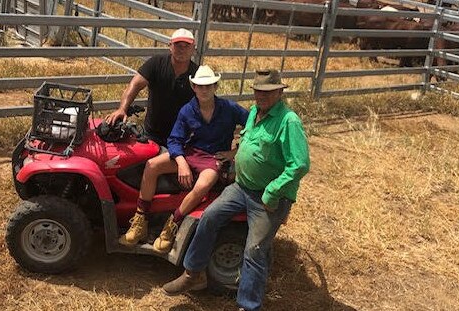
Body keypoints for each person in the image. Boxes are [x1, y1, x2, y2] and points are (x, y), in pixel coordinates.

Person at [161, 69, 311, 311]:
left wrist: (273, 191)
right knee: (208, 217)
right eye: (258, 91)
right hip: (242, 187)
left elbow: (300, 164)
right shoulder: (254, 112)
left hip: (267, 195)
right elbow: (246, 141)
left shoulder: (288, 121)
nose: (261, 95)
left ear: (280, 92)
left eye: (268, 91)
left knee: (254, 249)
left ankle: (248, 306)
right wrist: (235, 156)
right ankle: (193, 273)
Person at [119, 65, 249, 253]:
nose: (204, 90)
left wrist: (235, 152)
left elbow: (253, 125)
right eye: (200, 86)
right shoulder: (187, 110)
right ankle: (140, 220)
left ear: (215, 87)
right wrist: (181, 162)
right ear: (194, 87)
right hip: (191, 152)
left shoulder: (230, 108)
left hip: (214, 157)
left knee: (204, 184)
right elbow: (174, 139)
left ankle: (172, 224)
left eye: (209, 86)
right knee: (152, 165)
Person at [105, 28, 199, 146]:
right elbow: (135, 85)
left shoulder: (198, 74)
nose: (182, 49)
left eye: (187, 46)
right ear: (170, 46)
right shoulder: (156, 63)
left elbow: (206, 103)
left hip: (181, 137)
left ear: (193, 49)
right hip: (152, 134)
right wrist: (122, 109)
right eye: (178, 45)